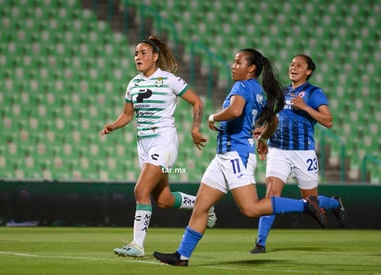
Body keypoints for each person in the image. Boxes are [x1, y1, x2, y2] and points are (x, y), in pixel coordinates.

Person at [153, 48, 327, 267]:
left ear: (251, 68)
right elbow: (272, 121)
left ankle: (305, 206)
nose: (233, 66)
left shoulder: (242, 86)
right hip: (224, 156)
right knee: (201, 207)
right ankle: (182, 256)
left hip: (236, 155)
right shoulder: (258, 91)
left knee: (251, 208)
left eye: (238, 62)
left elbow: (235, 111)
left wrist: (213, 116)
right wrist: (263, 139)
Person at [99, 35, 217, 258]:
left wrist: (195, 129)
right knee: (164, 200)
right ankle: (205, 205)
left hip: (164, 141)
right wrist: (113, 126)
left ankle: (137, 245)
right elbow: (127, 114)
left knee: (140, 190)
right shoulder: (133, 83)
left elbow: (197, 102)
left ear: (155, 57)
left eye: (143, 53)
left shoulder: (169, 79)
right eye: (136, 53)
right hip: (143, 144)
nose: (138, 57)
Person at [249, 54, 348, 254]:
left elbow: (328, 121)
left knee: (313, 202)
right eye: (292, 64)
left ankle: (335, 203)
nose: (293, 67)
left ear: (308, 71)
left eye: (299, 65)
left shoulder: (314, 93)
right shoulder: (281, 92)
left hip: (303, 153)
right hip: (278, 150)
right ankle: (260, 243)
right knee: (271, 195)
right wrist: (264, 133)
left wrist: (305, 108)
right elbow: (276, 120)